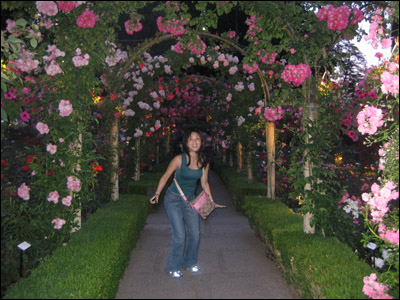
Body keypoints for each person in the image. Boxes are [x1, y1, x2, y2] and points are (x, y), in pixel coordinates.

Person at [149, 129, 225, 279]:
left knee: (195, 234)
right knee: (180, 235)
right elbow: (165, 177)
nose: (195, 141)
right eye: (191, 139)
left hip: (190, 200)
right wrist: (157, 194)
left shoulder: (204, 161)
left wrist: (211, 201)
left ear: (201, 143)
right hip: (173, 199)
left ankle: (189, 263)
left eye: (197, 138)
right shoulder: (179, 159)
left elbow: (204, 183)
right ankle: (173, 266)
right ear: (186, 143)